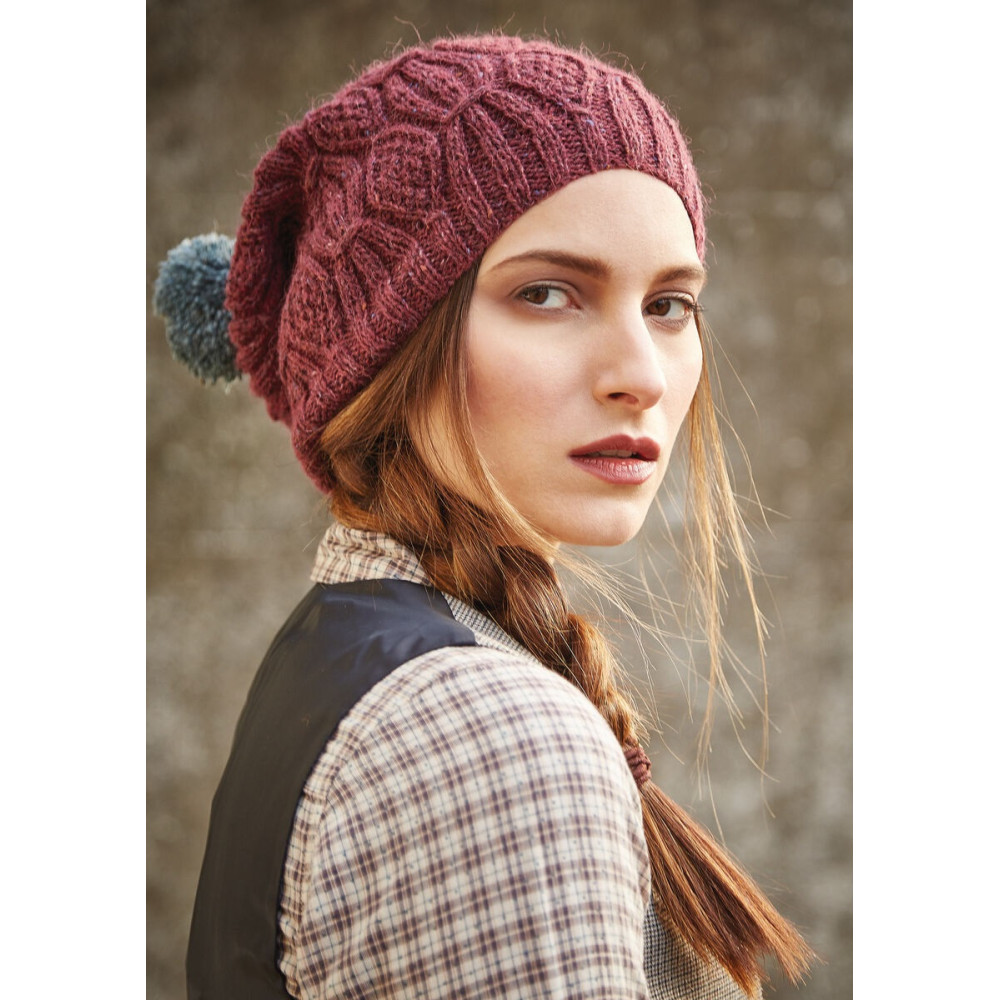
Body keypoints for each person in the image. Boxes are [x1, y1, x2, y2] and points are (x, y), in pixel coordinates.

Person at [154, 33, 813, 1000]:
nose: (641, 375)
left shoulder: (342, 654)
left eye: (671, 305)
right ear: (391, 343)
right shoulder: (489, 735)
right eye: (546, 293)